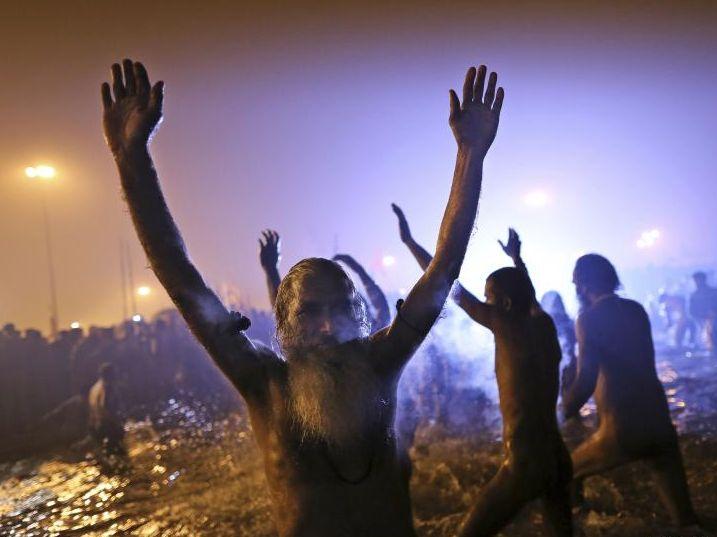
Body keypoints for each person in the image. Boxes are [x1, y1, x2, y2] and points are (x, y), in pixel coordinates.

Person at [101, 59, 503, 536]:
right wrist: (131, 157)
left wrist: (470, 155)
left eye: (338, 310)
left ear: (357, 314)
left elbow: (443, 270)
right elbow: (180, 277)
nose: (328, 327)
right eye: (310, 313)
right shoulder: (263, 381)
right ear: (286, 323)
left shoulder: (381, 361)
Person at [394, 212, 571, 536]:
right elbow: (528, 296)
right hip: (558, 457)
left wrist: (410, 243)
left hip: (526, 462)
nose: (484, 302)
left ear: (503, 303)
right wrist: (518, 260)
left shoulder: (505, 324)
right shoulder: (544, 325)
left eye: (489, 297)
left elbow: (446, 284)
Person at [562, 254, 697, 527]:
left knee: (564, 476)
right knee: (687, 521)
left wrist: (563, 410)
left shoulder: (588, 319)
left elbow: (587, 378)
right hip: (659, 420)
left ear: (583, 285)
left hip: (622, 427)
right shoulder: (636, 309)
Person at [259, 230, 390, 331]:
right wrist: (359, 270)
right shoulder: (319, 341)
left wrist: (271, 270)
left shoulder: (372, 342)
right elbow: (284, 315)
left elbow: (284, 315)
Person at [88, 363, 126, 455]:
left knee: (104, 456)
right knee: (118, 455)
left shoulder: (94, 388)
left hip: (95, 426)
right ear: (110, 375)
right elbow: (103, 408)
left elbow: (92, 410)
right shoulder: (106, 388)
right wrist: (117, 423)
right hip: (107, 427)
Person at [689, 271, 717, 353]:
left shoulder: (715, 292)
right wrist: (703, 318)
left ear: (703, 280)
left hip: (715, 320)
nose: (697, 283)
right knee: (709, 343)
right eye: (695, 281)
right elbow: (692, 312)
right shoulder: (694, 295)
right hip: (704, 322)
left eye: (698, 280)